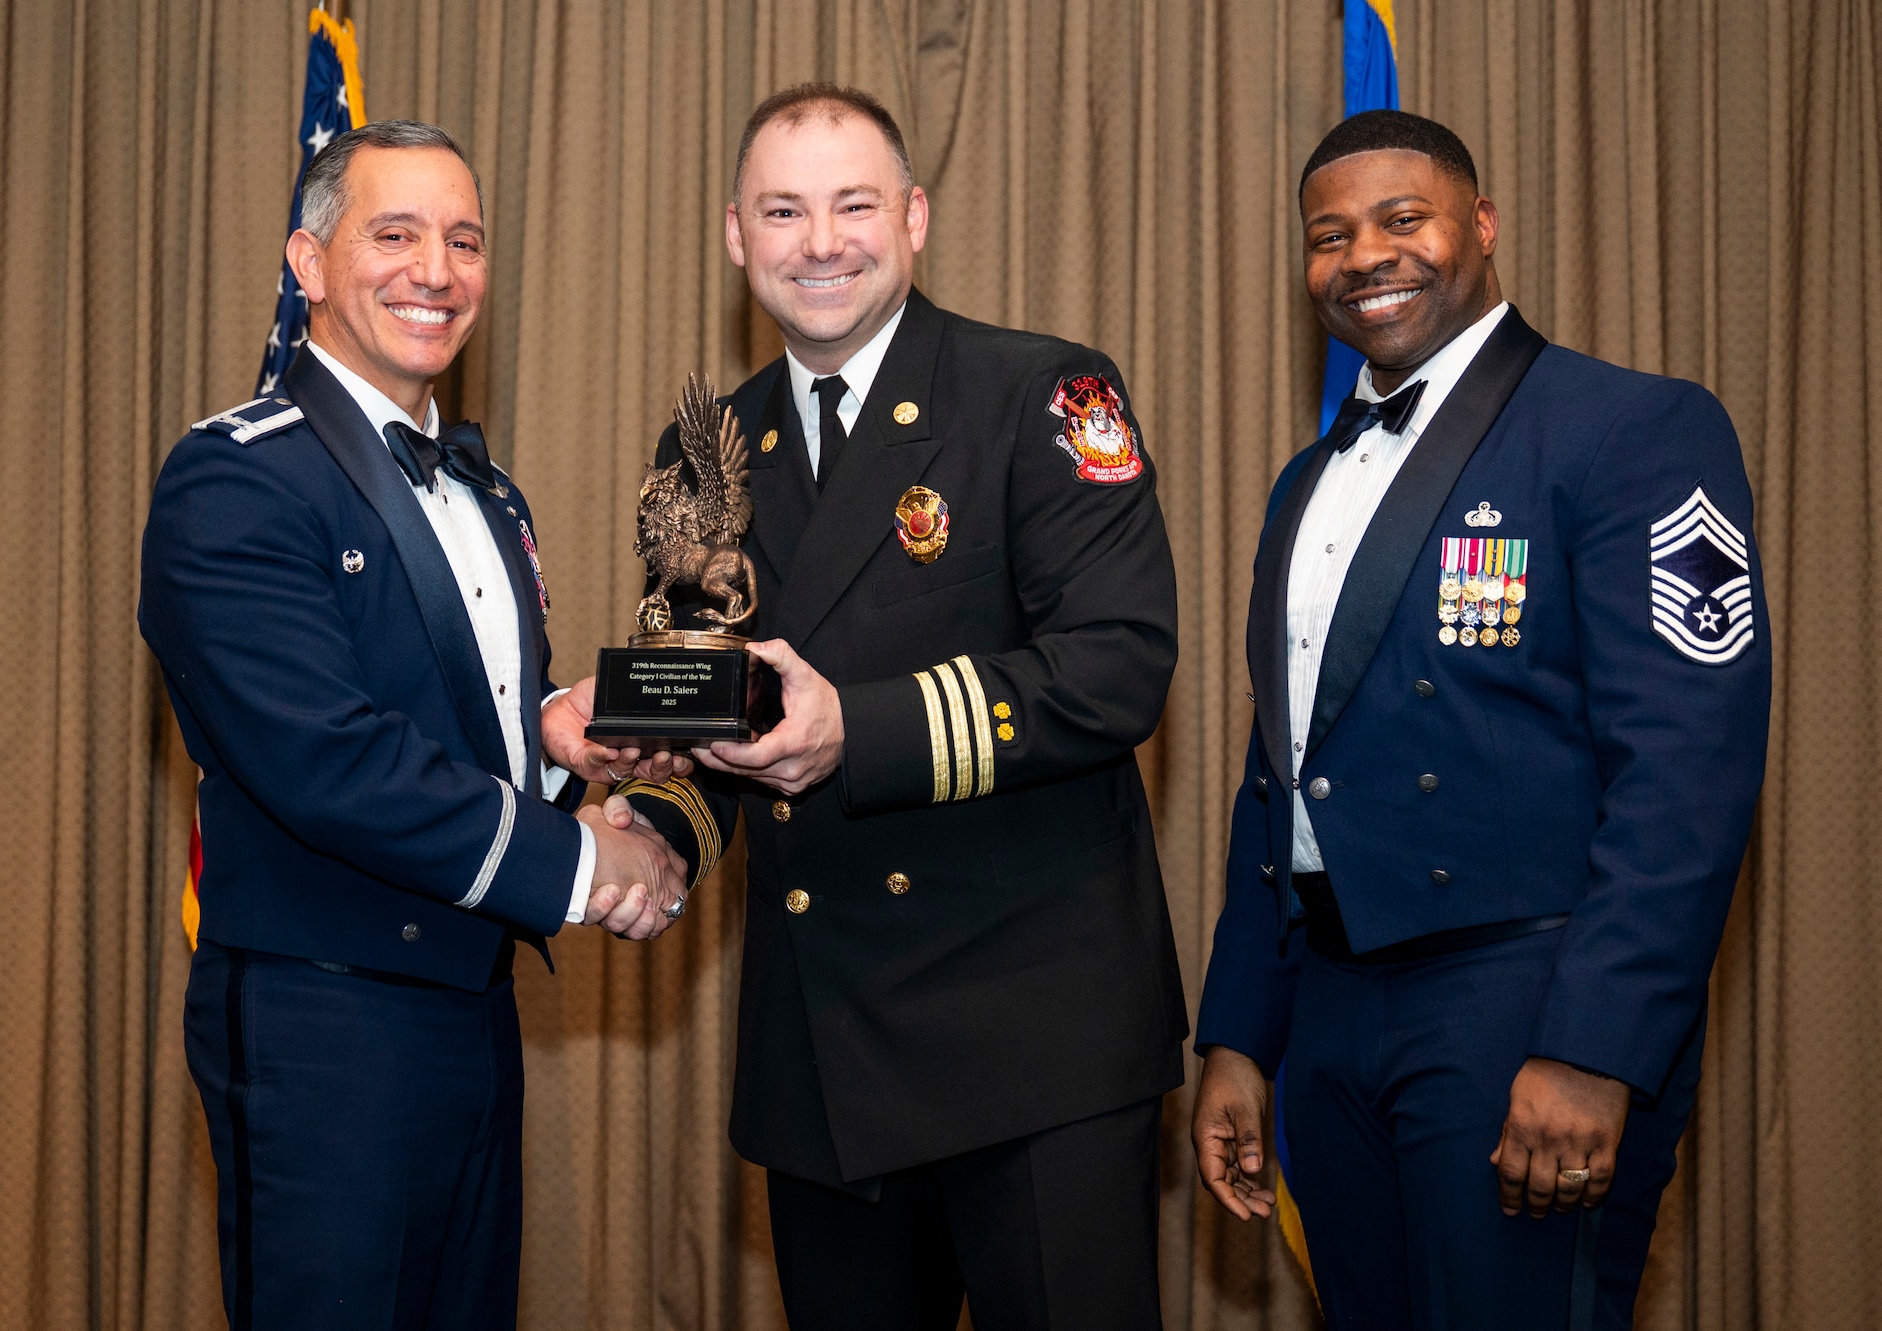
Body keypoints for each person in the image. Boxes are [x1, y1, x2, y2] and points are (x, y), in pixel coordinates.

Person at [608, 84, 1186, 1328]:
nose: (820, 241)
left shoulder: (1038, 393)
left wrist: (853, 732)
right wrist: (654, 830)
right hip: (825, 1049)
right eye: (782, 210)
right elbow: (717, 722)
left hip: (1035, 1037)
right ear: (733, 235)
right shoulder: (703, 451)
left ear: (913, 216)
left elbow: (1118, 666)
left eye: (852, 203)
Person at [1189, 110, 1771, 1329]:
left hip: (1520, 1001)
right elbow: (1281, 766)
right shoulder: (1307, 478)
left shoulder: (1631, 428)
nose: (1363, 256)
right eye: (1328, 236)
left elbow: (1684, 772)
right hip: (1334, 1008)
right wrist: (1241, 1032)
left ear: (1480, 225)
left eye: (1401, 219)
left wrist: (1594, 1047)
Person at [138, 120, 689, 1329]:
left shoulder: (488, 493)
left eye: (464, 240)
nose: (434, 271)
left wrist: (560, 745)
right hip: (319, 1020)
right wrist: (590, 862)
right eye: (393, 234)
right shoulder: (233, 477)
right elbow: (328, 757)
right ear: (308, 259)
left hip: (474, 1010)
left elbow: (453, 724)